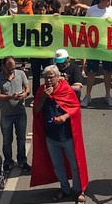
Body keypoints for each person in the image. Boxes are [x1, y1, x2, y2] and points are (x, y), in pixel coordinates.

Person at [31, 65, 88, 203]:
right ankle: (65, 188)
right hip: (51, 137)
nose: (48, 80)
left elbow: (75, 108)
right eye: (46, 77)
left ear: (57, 77)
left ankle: (79, 190)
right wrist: (44, 96)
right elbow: (36, 111)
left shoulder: (66, 89)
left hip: (67, 136)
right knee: (57, 165)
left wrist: (65, 117)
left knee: (74, 164)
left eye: (51, 77)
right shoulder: (41, 90)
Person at [80, 0, 112, 108]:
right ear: (101, 0)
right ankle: (88, 95)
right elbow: (85, 25)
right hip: (94, 46)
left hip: (107, 46)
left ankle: (108, 95)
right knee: (92, 72)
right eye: (108, 0)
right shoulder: (91, 10)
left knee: (107, 71)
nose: (110, 2)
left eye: (110, 0)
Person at [0, 56, 30, 174]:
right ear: (3, 67)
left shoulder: (20, 74)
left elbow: (27, 87)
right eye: (9, 69)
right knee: (7, 140)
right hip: (6, 114)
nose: (11, 71)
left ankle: (22, 160)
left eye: (13, 68)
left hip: (20, 113)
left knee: (21, 139)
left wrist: (25, 94)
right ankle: (8, 161)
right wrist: (10, 97)